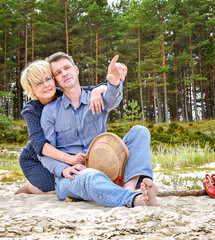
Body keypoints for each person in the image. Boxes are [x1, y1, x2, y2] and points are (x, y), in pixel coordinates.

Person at [40, 52, 159, 207]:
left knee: (140, 131)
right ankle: (135, 199)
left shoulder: (95, 97)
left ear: (76, 70)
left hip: (107, 167)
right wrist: (63, 170)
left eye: (67, 68)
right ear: (55, 80)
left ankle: (128, 187)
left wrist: (114, 83)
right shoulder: (50, 111)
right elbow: (45, 152)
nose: (64, 74)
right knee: (89, 176)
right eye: (58, 72)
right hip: (72, 177)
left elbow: (112, 98)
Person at [15, 59, 107, 194]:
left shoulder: (64, 93)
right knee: (55, 189)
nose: (46, 85)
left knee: (73, 181)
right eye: (39, 83)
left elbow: (98, 88)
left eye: (48, 79)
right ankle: (28, 187)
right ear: (31, 89)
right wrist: (70, 159)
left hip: (62, 156)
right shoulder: (32, 110)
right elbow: (40, 145)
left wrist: (97, 91)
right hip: (36, 159)